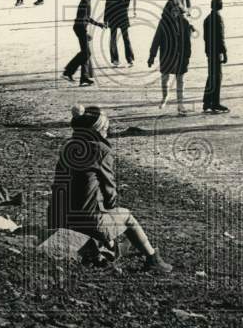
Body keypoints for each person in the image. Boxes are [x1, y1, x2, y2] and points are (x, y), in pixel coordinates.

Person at [48, 104, 172, 273]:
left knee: (92, 209)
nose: (107, 132)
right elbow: (109, 190)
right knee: (126, 217)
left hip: (57, 217)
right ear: (97, 130)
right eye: (105, 128)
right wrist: (109, 209)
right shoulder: (101, 150)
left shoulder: (67, 146)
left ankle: (107, 246)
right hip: (85, 220)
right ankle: (153, 259)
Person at [148, 0, 194, 114]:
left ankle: (180, 104)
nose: (174, 13)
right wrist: (152, 56)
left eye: (176, 11)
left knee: (180, 79)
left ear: (180, 10)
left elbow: (188, 41)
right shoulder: (163, 23)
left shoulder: (184, 22)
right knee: (165, 77)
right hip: (167, 55)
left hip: (180, 55)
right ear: (168, 11)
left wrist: (188, 55)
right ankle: (165, 97)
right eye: (172, 10)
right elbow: (156, 39)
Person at [63, 0, 103, 86]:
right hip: (79, 28)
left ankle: (82, 77)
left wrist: (98, 24)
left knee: (86, 53)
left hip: (80, 28)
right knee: (86, 53)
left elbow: (87, 18)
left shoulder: (87, 1)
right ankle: (68, 72)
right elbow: (82, 19)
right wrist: (85, 33)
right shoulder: (85, 2)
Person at [202, 0, 229, 113]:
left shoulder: (207, 19)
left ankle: (207, 102)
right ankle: (215, 103)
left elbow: (205, 37)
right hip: (216, 51)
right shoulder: (218, 18)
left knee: (211, 76)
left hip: (209, 51)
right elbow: (220, 37)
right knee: (217, 77)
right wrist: (224, 52)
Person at [104, 0, 134, 67]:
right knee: (113, 39)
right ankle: (115, 59)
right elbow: (107, 7)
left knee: (126, 39)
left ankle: (129, 59)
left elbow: (126, 5)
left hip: (123, 18)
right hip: (113, 18)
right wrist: (105, 19)